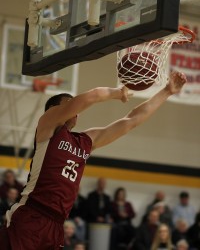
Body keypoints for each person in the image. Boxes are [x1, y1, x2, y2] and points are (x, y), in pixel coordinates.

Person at [0, 71, 186, 249]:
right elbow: (91, 97)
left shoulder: (85, 141)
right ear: (54, 109)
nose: (76, 110)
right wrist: (118, 92)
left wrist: (166, 92)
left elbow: (131, 120)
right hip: (32, 214)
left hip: (56, 225)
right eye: (69, 105)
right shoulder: (47, 127)